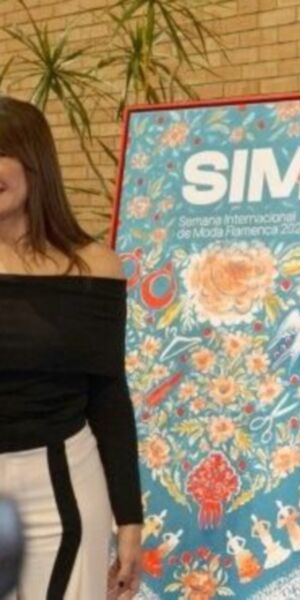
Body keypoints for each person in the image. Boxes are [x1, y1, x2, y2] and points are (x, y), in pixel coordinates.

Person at [0, 97, 142, 598]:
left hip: (62, 489)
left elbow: (108, 395)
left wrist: (130, 519)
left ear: (34, 163)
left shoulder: (94, 268)